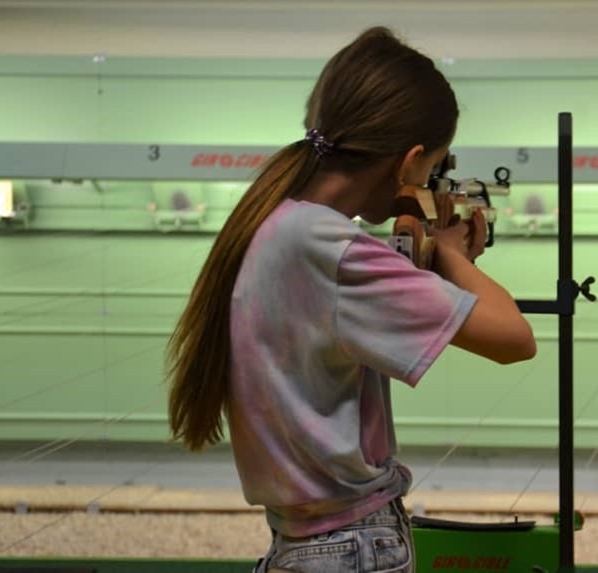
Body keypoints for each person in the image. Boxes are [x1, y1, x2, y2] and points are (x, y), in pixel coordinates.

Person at [164, 26, 537, 573]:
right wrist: (453, 257)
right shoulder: (332, 249)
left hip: (309, 541)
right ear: (409, 164)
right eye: (432, 167)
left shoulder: (285, 225)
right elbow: (514, 340)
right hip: (350, 545)